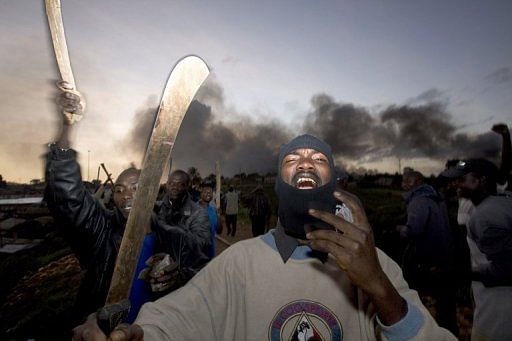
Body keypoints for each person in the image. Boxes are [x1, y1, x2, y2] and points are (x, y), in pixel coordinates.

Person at [73, 134, 455, 340]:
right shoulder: (238, 263)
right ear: (277, 183)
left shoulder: (377, 264)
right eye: (293, 159)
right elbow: (175, 319)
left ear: (336, 182)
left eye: (318, 159)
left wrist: (378, 286)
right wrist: (138, 333)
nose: (306, 162)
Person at [45, 83, 211, 325]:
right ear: (113, 197)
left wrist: (179, 278)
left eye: (136, 188)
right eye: (120, 190)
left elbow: (203, 278)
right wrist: (67, 130)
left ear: (151, 193)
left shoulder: (172, 237)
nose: (127, 196)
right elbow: (68, 195)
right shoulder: (101, 231)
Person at [441, 158, 512, 340]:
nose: (456, 183)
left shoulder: (483, 216)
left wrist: (457, 273)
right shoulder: (504, 201)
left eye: (462, 179)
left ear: (481, 180)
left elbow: (505, 270)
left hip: (498, 308)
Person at [395, 171, 458, 335]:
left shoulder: (418, 201)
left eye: (406, 180)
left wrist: (401, 229)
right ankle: (449, 334)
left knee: (416, 298)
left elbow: (413, 230)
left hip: (427, 260)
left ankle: (421, 333)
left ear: (415, 182)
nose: (403, 183)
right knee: (445, 304)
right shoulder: (436, 198)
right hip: (444, 258)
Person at [198, 181, 219, 258]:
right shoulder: (193, 209)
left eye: (210, 192)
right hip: (197, 251)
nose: (208, 194)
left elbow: (219, 230)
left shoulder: (213, 210)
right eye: (206, 191)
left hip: (211, 250)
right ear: (201, 192)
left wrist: (218, 216)